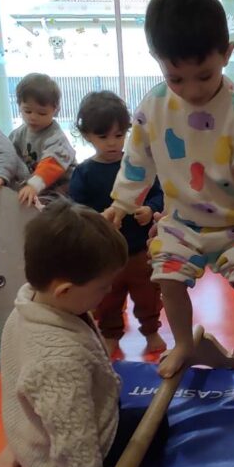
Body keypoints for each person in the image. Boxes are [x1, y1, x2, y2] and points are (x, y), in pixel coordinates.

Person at [105, 0, 234, 396]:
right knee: (169, 282)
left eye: (205, 75)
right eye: (176, 77)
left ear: (226, 54)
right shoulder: (154, 106)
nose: (192, 90)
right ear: (159, 63)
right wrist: (123, 201)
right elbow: (136, 156)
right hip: (181, 221)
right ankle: (183, 344)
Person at [0, 202, 168, 467]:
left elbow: (22, 387)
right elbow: (76, 449)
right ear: (65, 290)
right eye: (102, 288)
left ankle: (25, 448)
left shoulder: (31, 301)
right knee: (157, 424)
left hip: (37, 428)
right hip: (61, 461)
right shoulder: (58, 364)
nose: (109, 291)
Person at [69, 90, 166, 360]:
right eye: (103, 136)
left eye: (119, 135)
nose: (113, 143)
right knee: (107, 298)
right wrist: (98, 220)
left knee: (148, 293)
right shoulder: (84, 172)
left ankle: (150, 330)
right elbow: (76, 208)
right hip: (105, 255)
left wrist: (151, 208)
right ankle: (110, 333)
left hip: (139, 249)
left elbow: (158, 193)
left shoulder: (138, 166)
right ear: (87, 135)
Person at [10, 73, 76, 206]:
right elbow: (8, 152)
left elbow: (52, 164)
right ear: (19, 106)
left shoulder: (56, 137)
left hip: (63, 187)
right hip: (39, 186)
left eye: (42, 113)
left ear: (55, 110)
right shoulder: (19, 133)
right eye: (27, 111)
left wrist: (33, 186)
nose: (33, 117)